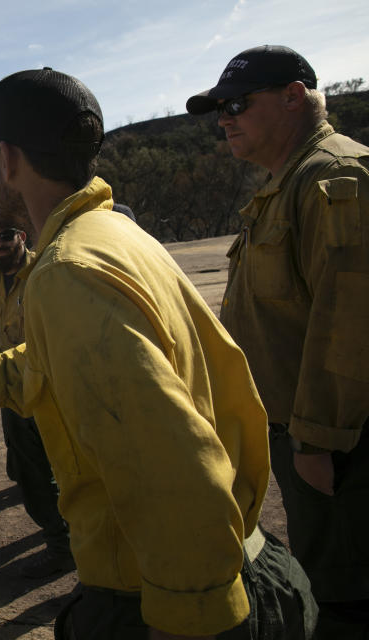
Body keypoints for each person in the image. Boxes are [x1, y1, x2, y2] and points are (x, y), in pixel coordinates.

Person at [0, 68, 317, 638]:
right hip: (236, 563)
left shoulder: (67, 272)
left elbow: (173, 465)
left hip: (173, 596)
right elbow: (33, 372)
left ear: (5, 159)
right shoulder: (111, 236)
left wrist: (192, 616)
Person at [187, 44, 369, 638]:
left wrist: (317, 443)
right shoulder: (283, 186)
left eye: (238, 103)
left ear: (295, 97)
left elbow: (349, 327)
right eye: (220, 108)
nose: (225, 118)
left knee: (345, 594)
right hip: (308, 438)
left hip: (341, 446)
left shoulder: (332, 179)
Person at [0, 213, 72, 578]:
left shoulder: (46, 268)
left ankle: (84, 543)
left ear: (21, 235)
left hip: (53, 386)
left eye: (6, 235)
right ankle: (59, 542)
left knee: (70, 467)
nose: (0, 243)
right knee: (30, 474)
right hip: (12, 390)